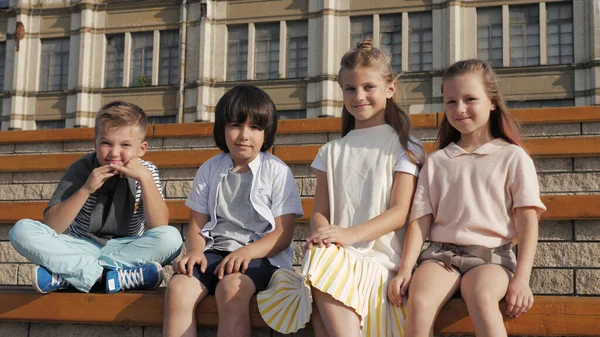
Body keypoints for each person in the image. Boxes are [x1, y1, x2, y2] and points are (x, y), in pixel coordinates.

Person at [257, 40, 424, 337]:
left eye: (368, 87)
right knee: (320, 263)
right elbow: (320, 213)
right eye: (350, 89)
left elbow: (400, 212)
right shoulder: (331, 151)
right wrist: (326, 236)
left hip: (380, 262)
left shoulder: (404, 145)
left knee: (321, 289)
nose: (359, 96)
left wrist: (346, 236)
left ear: (390, 88)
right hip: (338, 260)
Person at [390, 59, 546, 337]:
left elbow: (528, 222)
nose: (459, 109)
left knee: (482, 297)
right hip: (440, 257)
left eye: (470, 99)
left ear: (493, 102)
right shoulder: (438, 161)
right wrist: (404, 270)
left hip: (492, 259)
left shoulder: (512, 156)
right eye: (450, 101)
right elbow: (420, 221)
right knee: (420, 299)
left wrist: (522, 279)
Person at [163, 84, 303, 337]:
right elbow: (196, 224)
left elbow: (283, 235)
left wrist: (247, 253)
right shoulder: (210, 169)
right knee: (178, 288)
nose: (244, 135)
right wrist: (195, 251)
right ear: (222, 129)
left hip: (261, 257)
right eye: (235, 125)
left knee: (230, 289)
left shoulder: (277, 171)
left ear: (266, 132)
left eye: (255, 127)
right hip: (215, 252)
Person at [9, 101, 182, 294]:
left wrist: (145, 179)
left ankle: (70, 276)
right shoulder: (81, 168)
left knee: (172, 238)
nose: (114, 153)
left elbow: (159, 225)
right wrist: (86, 189)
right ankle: (112, 277)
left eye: (125, 145)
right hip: (81, 246)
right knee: (21, 230)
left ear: (141, 149)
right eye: (106, 143)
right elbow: (53, 226)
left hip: (128, 248)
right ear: (95, 143)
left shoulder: (147, 171)